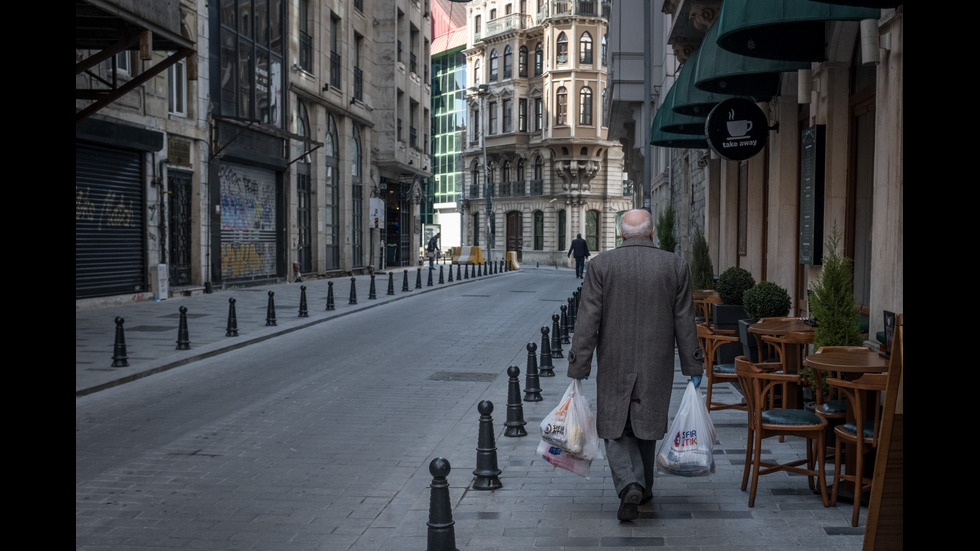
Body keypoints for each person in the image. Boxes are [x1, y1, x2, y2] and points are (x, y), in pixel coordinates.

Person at [566, 209, 704, 522]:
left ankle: (630, 484)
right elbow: (685, 321)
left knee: (615, 426)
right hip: (657, 362)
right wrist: (694, 366)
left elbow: (588, 319)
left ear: (621, 234)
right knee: (646, 423)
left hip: (614, 360)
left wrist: (579, 364)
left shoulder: (601, 265)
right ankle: (643, 487)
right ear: (652, 231)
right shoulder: (675, 266)